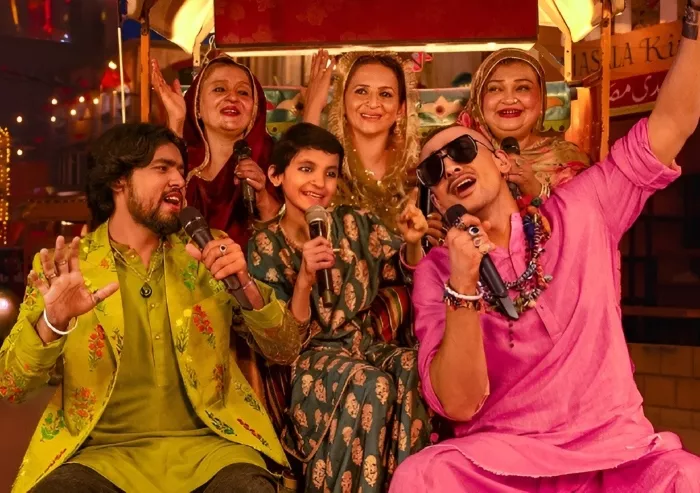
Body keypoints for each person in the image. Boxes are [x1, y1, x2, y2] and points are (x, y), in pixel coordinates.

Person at [389, 9, 700, 491]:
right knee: (422, 476)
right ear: (437, 198)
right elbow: (459, 403)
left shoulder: (583, 209)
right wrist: (464, 284)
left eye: (463, 151)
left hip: (613, 452)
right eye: (434, 171)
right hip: (503, 462)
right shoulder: (438, 271)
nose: (450, 168)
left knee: (686, 476)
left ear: (500, 159)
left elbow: (672, 124)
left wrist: (695, 27)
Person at [0, 124, 302, 493]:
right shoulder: (67, 268)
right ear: (119, 181)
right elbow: (11, 386)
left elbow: (285, 348)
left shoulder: (209, 253)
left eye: (180, 170)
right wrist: (54, 321)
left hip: (213, 451)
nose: (178, 180)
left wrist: (245, 285)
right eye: (162, 168)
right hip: (100, 457)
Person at [248, 123, 431, 492]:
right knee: (370, 382)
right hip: (311, 361)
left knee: (414, 365)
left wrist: (412, 243)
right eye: (306, 169)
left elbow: (406, 274)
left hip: (365, 346)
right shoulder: (264, 245)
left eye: (330, 173)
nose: (319, 182)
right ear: (276, 175)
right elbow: (284, 344)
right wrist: (304, 278)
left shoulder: (354, 223)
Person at [425, 49, 592, 249]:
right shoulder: (453, 161)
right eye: (495, 89)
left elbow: (590, 228)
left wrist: (539, 191)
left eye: (522, 88)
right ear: (478, 100)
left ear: (541, 99)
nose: (509, 99)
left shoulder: (566, 158)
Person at [152, 55, 280, 248]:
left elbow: (291, 235)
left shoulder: (271, 160)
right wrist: (177, 122)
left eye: (243, 92)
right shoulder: (184, 163)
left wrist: (262, 197)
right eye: (220, 89)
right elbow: (155, 221)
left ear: (255, 109)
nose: (233, 98)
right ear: (197, 106)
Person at [303, 50, 421, 233]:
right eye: (361, 91)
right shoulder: (330, 168)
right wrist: (312, 109)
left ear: (401, 108)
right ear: (342, 102)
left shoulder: (414, 174)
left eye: (385, 94)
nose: (373, 103)